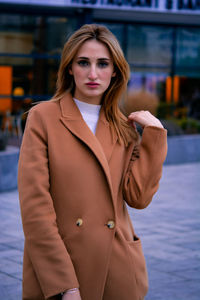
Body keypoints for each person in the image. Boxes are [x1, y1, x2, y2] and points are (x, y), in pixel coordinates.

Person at [18, 24, 167, 300]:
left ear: (115, 71)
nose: (93, 73)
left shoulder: (124, 127)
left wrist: (155, 137)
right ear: (70, 68)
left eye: (103, 64)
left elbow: (138, 198)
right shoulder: (43, 118)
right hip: (61, 271)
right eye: (83, 62)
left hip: (116, 269)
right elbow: (35, 209)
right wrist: (65, 285)